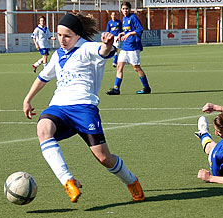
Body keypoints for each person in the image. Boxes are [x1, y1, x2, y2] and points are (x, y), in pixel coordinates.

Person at [23, 13, 145, 203]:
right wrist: (27, 99)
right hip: (59, 107)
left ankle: (131, 181)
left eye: (67, 36)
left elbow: (104, 51)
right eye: (59, 35)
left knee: (104, 158)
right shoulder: (57, 55)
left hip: (84, 109)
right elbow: (43, 78)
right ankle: (68, 181)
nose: (62, 40)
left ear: (77, 36)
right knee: (43, 129)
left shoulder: (87, 48)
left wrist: (108, 43)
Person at [106, 2, 151, 95]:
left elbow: (140, 29)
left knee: (136, 68)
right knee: (119, 67)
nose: (125, 10)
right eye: (123, 9)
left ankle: (147, 88)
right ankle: (116, 89)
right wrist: (120, 34)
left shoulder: (133, 17)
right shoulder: (124, 18)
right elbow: (127, 30)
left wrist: (129, 34)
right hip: (125, 46)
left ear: (130, 9)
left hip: (133, 46)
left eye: (127, 9)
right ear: (121, 10)